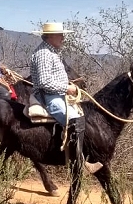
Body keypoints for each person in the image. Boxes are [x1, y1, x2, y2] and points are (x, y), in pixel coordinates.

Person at [30, 22, 102, 174]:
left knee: (82, 114)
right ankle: (79, 162)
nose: (63, 38)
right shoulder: (44, 54)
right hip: (48, 96)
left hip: (56, 93)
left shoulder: (52, 51)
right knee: (75, 119)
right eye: (60, 34)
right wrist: (67, 88)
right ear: (50, 36)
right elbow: (44, 82)